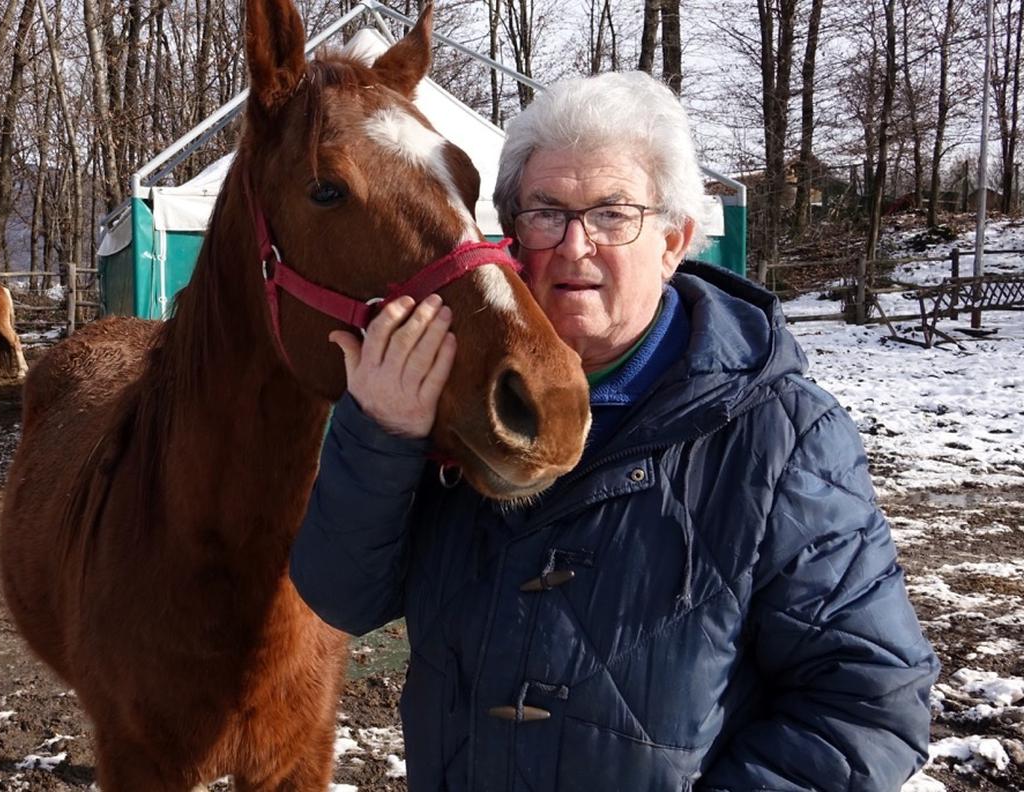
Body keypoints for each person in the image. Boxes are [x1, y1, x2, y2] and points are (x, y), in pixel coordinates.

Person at [289, 70, 938, 790]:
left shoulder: (780, 435)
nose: (573, 245)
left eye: (611, 214)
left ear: (674, 241)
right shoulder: (462, 396)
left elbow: (870, 703)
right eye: (546, 211)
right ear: (511, 232)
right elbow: (345, 596)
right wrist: (382, 433)